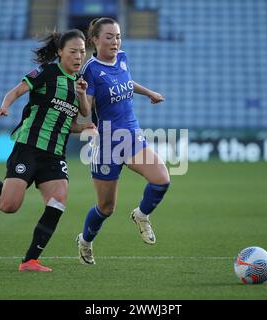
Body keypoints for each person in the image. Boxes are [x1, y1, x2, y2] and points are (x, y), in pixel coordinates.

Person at [0, 29, 95, 272]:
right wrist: (4, 107)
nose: (78, 57)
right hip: (29, 147)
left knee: (58, 201)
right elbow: (15, 92)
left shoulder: (79, 85)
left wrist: (84, 126)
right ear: (60, 52)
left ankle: (30, 260)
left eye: (82, 52)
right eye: (73, 51)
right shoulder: (46, 72)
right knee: (8, 206)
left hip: (55, 154)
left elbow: (69, 120)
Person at [76, 18, 170, 265]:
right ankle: (85, 241)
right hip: (108, 143)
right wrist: (81, 94)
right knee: (106, 208)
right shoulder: (90, 70)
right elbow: (86, 111)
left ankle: (141, 215)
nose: (115, 41)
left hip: (131, 136)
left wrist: (148, 92)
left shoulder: (123, 58)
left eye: (118, 36)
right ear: (95, 39)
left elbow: (126, 82)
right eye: (109, 36)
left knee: (161, 179)